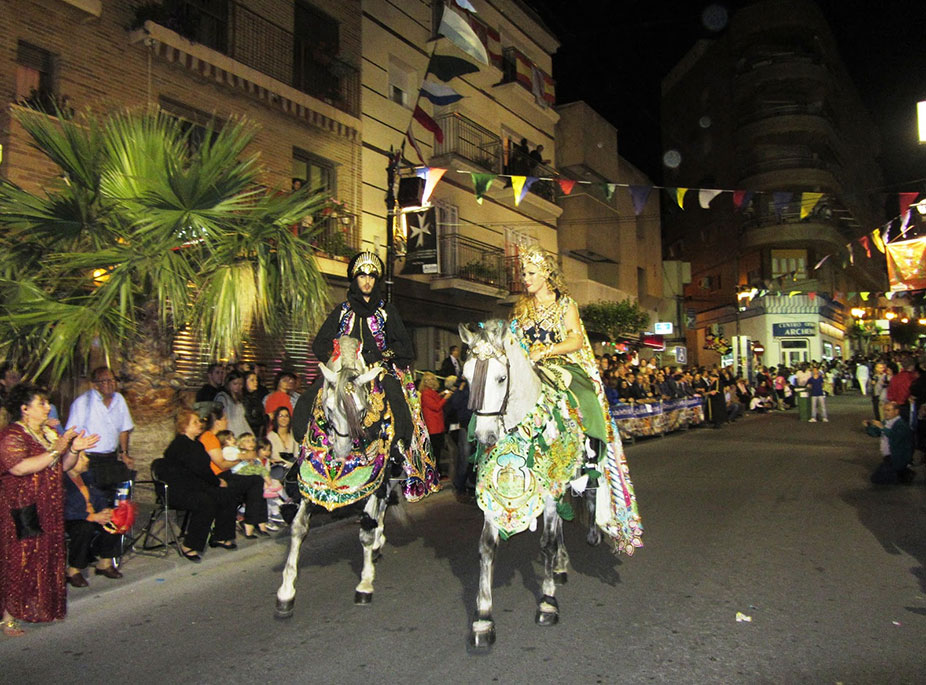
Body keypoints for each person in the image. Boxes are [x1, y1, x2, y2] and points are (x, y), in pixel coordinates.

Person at [510, 245, 642, 552]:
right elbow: (514, 338)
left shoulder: (565, 304)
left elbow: (576, 338)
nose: (526, 279)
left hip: (562, 365)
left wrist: (549, 350)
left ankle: (593, 449)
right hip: (530, 369)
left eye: (531, 273)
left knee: (584, 395)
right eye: (524, 274)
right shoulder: (521, 307)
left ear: (546, 274)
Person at [0, 383, 99, 636]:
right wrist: (57, 448)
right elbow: (19, 468)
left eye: (47, 403)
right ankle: (8, 616)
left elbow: (63, 465)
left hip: (49, 506)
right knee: (20, 558)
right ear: (24, 409)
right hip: (23, 506)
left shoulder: (48, 434)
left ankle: (33, 607)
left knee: (42, 557)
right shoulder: (12, 435)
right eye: (41, 403)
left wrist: (74, 449)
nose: (47, 408)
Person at [294, 251, 415, 449]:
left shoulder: (387, 311)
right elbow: (320, 343)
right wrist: (337, 356)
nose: (367, 281)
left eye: (371, 276)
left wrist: (381, 355)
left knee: (395, 395)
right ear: (354, 279)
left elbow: (404, 346)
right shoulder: (342, 310)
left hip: (378, 369)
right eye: (362, 276)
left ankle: (399, 447)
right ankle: (303, 445)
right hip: (344, 369)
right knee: (311, 395)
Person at [160, 409, 240, 561]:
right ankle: (190, 545)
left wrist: (217, 483)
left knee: (227, 494)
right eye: (195, 422)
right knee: (206, 501)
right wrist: (217, 482)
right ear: (184, 426)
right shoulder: (181, 444)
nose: (200, 424)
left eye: (199, 421)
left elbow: (203, 470)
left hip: (194, 486)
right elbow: (199, 470)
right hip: (179, 490)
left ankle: (222, 536)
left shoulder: (196, 443)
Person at [65, 366, 135, 500]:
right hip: (91, 459)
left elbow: (124, 429)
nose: (110, 384)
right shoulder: (83, 403)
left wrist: (124, 453)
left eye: (112, 380)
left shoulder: (119, 400)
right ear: (95, 385)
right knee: (94, 498)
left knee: (114, 498)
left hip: (111, 458)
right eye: (104, 381)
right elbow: (72, 432)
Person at [198, 405, 269, 538]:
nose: (227, 421)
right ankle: (251, 522)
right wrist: (243, 459)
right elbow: (222, 463)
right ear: (217, 422)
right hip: (217, 477)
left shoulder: (216, 438)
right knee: (256, 481)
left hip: (225, 474)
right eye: (225, 419)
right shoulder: (209, 438)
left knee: (257, 481)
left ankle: (255, 522)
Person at [64, 451, 124, 587]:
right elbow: (65, 509)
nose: (86, 460)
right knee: (84, 529)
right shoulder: (63, 481)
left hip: (91, 515)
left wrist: (104, 510)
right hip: (73, 517)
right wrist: (91, 517)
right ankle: (73, 570)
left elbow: (99, 496)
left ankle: (105, 562)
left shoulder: (85, 476)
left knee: (115, 521)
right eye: (82, 457)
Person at [866, 401, 915, 485]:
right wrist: (868, 427)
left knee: (878, 479)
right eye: (884, 410)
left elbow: (895, 437)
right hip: (888, 456)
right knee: (878, 477)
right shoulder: (886, 422)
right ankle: (900, 472)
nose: (885, 413)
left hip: (897, 456)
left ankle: (904, 472)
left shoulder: (901, 424)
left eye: (888, 410)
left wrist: (881, 427)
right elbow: (876, 433)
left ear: (896, 411)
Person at [449, 376, 475, 503]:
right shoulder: (463, 384)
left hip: (478, 423)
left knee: (476, 459)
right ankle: (460, 487)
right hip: (466, 424)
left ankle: (471, 486)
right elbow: (455, 403)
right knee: (465, 458)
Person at [420, 371, 451, 472]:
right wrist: (445, 398)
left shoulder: (431, 392)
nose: (430, 381)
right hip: (433, 428)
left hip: (437, 426)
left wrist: (441, 395)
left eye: (432, 379)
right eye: (427, 380)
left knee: (437, 451)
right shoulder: (425, 394)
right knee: (435, 451)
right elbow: (436, 407)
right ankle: (434, 472)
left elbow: (435, 400)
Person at [214, 371, 250, 437]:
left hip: (241, 430)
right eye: (235, 384)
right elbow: (225, 419)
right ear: (228, 383)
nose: (238, 386)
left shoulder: (239, 399)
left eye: (241, 384)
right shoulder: (222, 397)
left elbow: (242, 419)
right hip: (230, 432)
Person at [242, 370, 268, 437]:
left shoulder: (256, 397)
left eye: (256, 380)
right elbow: (248, 419)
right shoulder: (244, 399)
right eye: (252, 380)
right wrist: (266, 418)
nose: (255, 382)